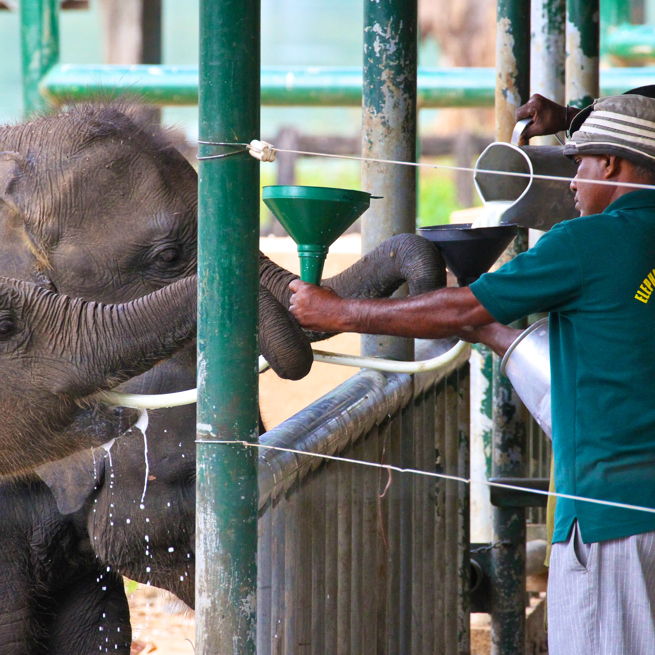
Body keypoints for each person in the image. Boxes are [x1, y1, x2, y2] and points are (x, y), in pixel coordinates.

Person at [289, 94, 655, 655]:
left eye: (579, 163)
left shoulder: (590, 241)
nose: (573, 184)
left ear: (611, 164)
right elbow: (613, 347)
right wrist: (482, 327)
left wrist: (338, 312)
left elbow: (462, 309)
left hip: (610, 520)